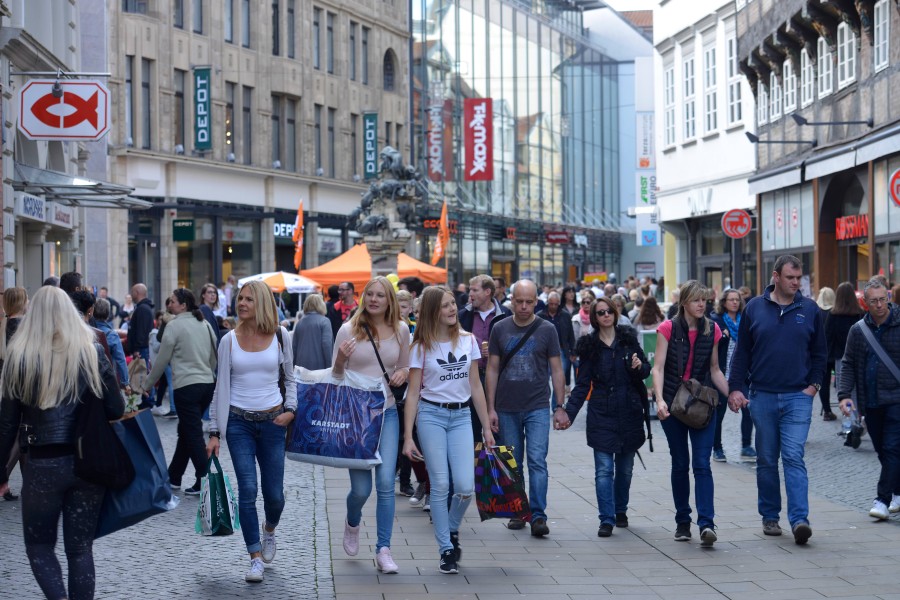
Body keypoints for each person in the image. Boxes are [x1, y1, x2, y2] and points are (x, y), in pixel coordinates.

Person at [0, 286, 124, 599]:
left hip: (42, 463)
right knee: (80, 550)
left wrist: (1, 469)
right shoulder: (90, 351)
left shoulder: (19, 355)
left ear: (32, 314)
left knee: (40, 547)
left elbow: (7, 423)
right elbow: (116, 408)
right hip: (87, 462)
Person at [727, 255, 826, 545]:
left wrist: (814, 385)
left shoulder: (809, 309)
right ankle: (770, 516)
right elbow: (742, 353)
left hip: (799, 395)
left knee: (793, 456)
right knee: (767, 459)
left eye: (799, 278)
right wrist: (735, 388)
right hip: (763, 395)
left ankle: (799, 521)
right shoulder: (755, 308)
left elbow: (820, 353)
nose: (796, 283)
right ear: (776, 277)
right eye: (790, 278)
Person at [206, 280, 295, 582]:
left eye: (248, 299)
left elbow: (291, 378)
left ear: (262, 303)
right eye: (239, 299)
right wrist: (215, 431)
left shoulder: (280, 336)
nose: (241, 303)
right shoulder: (228, 340)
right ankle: (254, 556)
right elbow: (220, 387)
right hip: (238, 423)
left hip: (273, 422)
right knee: (247, 490)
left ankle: (269, 529)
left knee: (275, 496)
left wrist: (290, 411)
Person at [402, 286, 495, 574]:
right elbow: (413, 393)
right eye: (445, 306)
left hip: (462, 417)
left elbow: (475, 386)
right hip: (431, 416)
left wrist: (488, 428)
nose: (453, 309)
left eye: (453, 303)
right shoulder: (420, 347)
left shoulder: (469, 341)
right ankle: (445, 549)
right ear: (433, 311)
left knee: (466, 487)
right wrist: (408, 436)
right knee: (441, 485)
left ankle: (451, 529)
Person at [333, 277, 409, 574]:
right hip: (357, 418)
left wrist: (402, 373)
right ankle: (352, 522)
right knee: (361, 490)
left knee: (386, 483)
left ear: (390, 300)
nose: (374, 299)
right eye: (370, 295)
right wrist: (340, 359)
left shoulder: (402, 330)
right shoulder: (347, 330)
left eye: (381, 295)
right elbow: (336, 378)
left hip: (387, 412)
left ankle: (383, 549)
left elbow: (405, 365)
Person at [485, 279, 567, 537]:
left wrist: (560, 406)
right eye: (518, 301)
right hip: (506, 406)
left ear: (536, 301)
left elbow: (557, 369)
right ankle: (518, 511)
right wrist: (490, 408)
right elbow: (493, 368)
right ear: (511, 299)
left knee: (537, 461)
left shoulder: (547, 329)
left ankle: (538, 515)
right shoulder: (499, 328)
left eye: (529, 302)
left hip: (537, 405)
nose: (523, 306)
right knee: (512, 463)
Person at [563, 296, 650, 537]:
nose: (605, 316)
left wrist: (638, 367)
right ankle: (606, 518)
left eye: (608, 311)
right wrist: (569, 414)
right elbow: (581, 385)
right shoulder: (589, 347)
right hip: (601, 413)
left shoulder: (628, 339)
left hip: (629, 412)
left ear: (615, 312)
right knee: (603, 470)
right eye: (600, 313)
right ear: (594, 318)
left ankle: (620, 509)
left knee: (625, 470)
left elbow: (645, 370)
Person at [651, 280, 730, 547]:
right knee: (680, 463)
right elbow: (658, 368)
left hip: (702, 405)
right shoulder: (667, 328)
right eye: (696, 300)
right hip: (673, 404)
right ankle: (683, 522)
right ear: (684, 302)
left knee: (702, 463)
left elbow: (716, 369)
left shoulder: (713, 329)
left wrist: (733, 394)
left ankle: (706, 523)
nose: (701, 305)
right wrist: (659, 399)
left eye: (705, 300)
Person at [138, 288, 218, 495]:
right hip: (206, 384)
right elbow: (213, 355)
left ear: (183, 305)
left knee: (192, 434)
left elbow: (161, 360)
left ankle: (205, 480)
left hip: (186, 387)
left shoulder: (174, 326)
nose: (169, 304)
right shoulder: (205, 323)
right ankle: (174, 476)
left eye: (172, 301)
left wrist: (146, 386)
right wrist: (207, 374)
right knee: (186, 431)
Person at [837, 278, 900, 520]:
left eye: (883, 299)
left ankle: (881, 500)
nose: (879, 305)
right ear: (865, 302)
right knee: (883, 450)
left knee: (893, 447)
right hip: (870, 401)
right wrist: (843, 396)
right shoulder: (858, 330)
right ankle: (897, 491)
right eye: (873, 301)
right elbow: (849, 364)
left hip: (896, 398)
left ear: (889, 299)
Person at [458, 275, 511, 442]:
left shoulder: (506, 315)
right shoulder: (463, 315)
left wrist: (498, 353)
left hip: (498, 378)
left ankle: (498, 467)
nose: (470, 294)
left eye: (474, 290)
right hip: (470, 378)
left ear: (488, 292)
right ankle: (475, 468)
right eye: (469, 290)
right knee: (472, 431)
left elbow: (513, 347)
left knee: (497, 429)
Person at [708, 289, 755, 463]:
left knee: (748, 408)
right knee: (718, 413)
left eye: (737, 300)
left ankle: (746, 446)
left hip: (741, 374)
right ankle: (717, 448)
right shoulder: (717, 321)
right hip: (721, 372)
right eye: (731, 300)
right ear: (724, 302)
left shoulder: (745, 321)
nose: (735, 303)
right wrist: (722, 336)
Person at [0, 287, 27, 501]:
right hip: (20, 385)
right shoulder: (22, 326)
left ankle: (4, 482)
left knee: (8, 432)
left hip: (7, 384)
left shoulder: (6, 324)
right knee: (20, 432)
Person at [826, 282, 865, 420]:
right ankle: (859, 417)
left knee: (844, 389)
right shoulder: (860, 314)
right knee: (859, 388)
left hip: (840, 358)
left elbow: (828, 337)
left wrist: (828, 358)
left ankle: (852, 420)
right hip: (860, 357)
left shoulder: (833, 315)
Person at [538, 292, 576, 396]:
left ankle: (556, 406)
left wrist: (572, 351)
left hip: (561, 350)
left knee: (559, 379)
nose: (553, 306)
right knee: (544, 378)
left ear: (559, 303)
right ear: (548, 303)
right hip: (544, 351)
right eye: (551, 304)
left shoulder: (565, 315)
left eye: (555, 304)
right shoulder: (540, 316)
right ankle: (545, 400)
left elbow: (570, 335)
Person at [126, 283, 155, 408]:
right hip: (141, 348)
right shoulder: (143, 308)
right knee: (144, 375)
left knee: (143, 375)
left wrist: (137, 348)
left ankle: (148, 401)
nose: (131, 294)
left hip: (141, 348)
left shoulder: (142, 309)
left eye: (132, 292)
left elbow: (141, 331)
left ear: (137, 293)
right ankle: (147, 400)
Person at [94, 298, 130, 392]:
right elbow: (121, 360)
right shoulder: (112, 335)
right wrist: (125, 382)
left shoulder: (86, 331)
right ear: (108, 314)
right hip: (107, 380)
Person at [292, 294, 334, 370]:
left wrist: (293, 367)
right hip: (319, 368)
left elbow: (294, 347)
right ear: (321, 305)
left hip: (300, 367)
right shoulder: (325, 321)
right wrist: (330, 367)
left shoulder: (300, 323)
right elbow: (327, 345)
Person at [816, 287, 837, 420]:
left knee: (824, 383)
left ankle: (827, 411)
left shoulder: (816, 312)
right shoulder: (835, 312)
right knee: (841, 383)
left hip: (822, 354)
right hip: (835, 353)